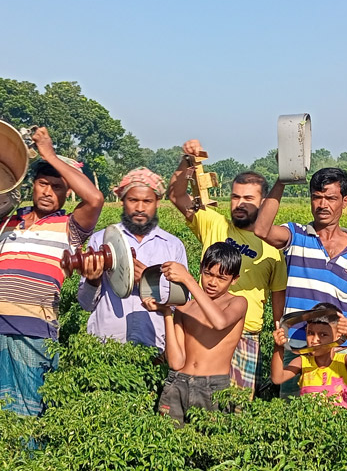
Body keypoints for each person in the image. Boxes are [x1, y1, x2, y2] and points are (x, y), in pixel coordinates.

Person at [0, 127, 103, 416]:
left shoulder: (70, 226)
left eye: (58, 187)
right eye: (43, 183)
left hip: (34, 332)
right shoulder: (9, 221)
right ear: (33, 185)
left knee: (29, 412)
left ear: (68, 193)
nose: (48, 192)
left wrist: (48, 154)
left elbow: (95, 200)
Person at [168, 139, 286, 394]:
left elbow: (278, 297)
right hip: (201, 328)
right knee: (194, 402)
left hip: (245, 336)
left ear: (263, 201)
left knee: (236, 410)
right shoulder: (214, 223)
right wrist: (186, 161)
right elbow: (177, 196)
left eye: (248, 198)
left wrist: (279, 337)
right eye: (235, 196)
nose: (239, 203)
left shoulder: (272, 246)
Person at [252, 167, 347, 397]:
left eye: (330, 198)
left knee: (340, 416)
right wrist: (282, 180)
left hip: (341, 353)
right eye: (317, 197)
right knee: (293, 419)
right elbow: (261, 230)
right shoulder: (297, 235)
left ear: (344, 201)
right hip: (298, 348)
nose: (322, 204)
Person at [77, 168, 187, 352]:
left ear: (157, 203)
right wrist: (93, 279)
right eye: (133, 200)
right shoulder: (101, 240)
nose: (140, 208)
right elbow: (85, 304)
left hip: (155, 347)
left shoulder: (172, 245)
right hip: (105, 347)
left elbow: (183, 302)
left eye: (147, 201)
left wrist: (147, 281)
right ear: (122, 201)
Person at [142, 243, 247, 426]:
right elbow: (175, 362)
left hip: (212, 387)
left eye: (221, 278)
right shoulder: (185, 307)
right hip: (177, 384)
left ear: (234, 279)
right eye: (208, 274)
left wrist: (188, 280)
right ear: (201, 269)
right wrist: (167, 313)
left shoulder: (237, 303)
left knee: (209, 447)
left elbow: (219, 322)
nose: (212, 282)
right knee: (169, 443)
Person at [270, 303, 347, 408]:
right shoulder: (303, 362)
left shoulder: (343, 361)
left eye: (323, 335)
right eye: (310, 333)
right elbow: (277, 378)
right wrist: (279, 347)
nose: (314, 340)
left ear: (338, 336)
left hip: (341, 423)